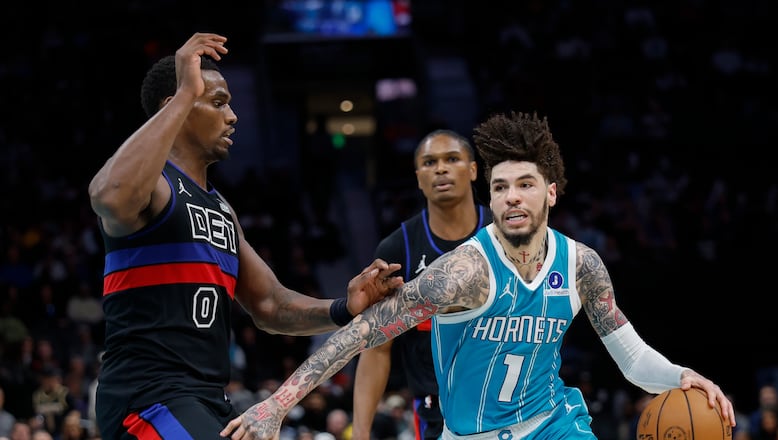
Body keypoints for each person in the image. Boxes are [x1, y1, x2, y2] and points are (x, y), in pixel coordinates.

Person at [221, 111, 736, 440]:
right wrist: (276, 405)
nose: (512, 196)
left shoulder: (582, 265)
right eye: (501, 187)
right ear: (489, 196)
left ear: (550, 193)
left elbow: (631, 358)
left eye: (525, 184)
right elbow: (362, 333)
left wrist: (681, 376)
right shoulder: (463, 272)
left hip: (553, 425)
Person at [87, 32, 402, 440]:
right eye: (218, 102)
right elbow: (107, 195)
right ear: (176, 106)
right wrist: (185, 94)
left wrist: (343, 308)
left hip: (207, 397)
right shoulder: (155, 188)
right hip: (148, 396)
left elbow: (270, 304)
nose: (233, 116)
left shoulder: (220, 207)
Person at [352, 129, 492, 440]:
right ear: (418, 178)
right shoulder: (396, 249)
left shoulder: (505, 233)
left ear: (473, 170)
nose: (440, 169)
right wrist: (359, 433)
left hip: (512, 401)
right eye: (429, 162)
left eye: (452, 159)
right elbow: (377, 349)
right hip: (436, 412)